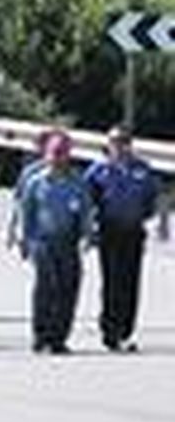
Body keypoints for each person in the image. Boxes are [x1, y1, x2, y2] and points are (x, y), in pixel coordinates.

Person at [85, 127, 164, 352]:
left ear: (130, 145)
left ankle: (126, 331)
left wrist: (156, 219)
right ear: (108, 145)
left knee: (130, 282)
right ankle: (110, 331)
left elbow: (155, 196)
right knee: (111, 281)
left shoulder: (142, 169)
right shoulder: (99, 170)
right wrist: (89, 229)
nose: (119, 146)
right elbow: (88, 199)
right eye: (115, 142)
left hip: (133, 230)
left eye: (124, 142)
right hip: (109, 230)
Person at [19, 132, 93, 354]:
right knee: (45, 290)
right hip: (43, 242)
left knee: (68, 290)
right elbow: (26, 212)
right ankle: (41, 336)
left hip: (68, 242)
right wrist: (25, 240)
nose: (58, 157)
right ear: (46, 154)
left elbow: (86, 213)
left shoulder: (78, 183)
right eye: (54, 152)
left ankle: (58, 338)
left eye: (63, 152)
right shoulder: (35, 181)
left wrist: (87, 237)